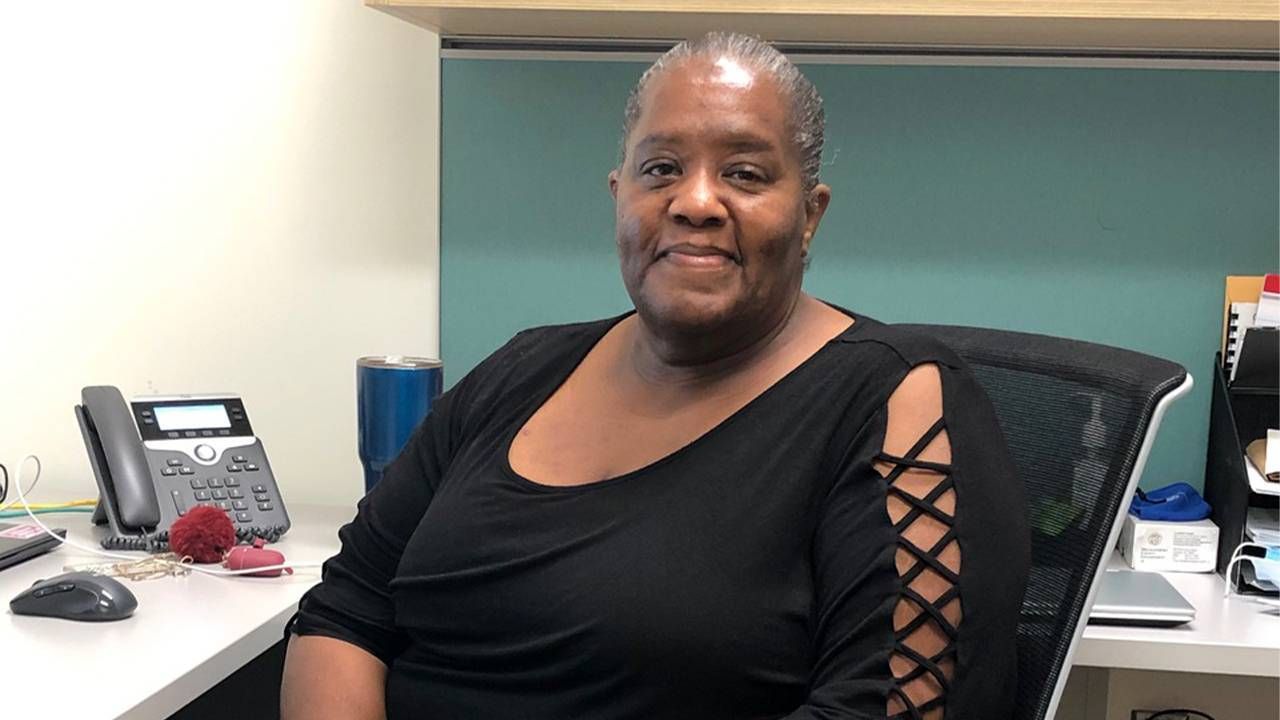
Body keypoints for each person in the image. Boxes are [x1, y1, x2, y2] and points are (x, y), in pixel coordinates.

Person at [281, 32, 1028, 720]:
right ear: (620, 198)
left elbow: (884, 709)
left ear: (809, 215)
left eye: (744, 172)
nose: (695, 202)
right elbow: (347, 611)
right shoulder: (520, 369)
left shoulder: (899, 399)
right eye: (661, 169)